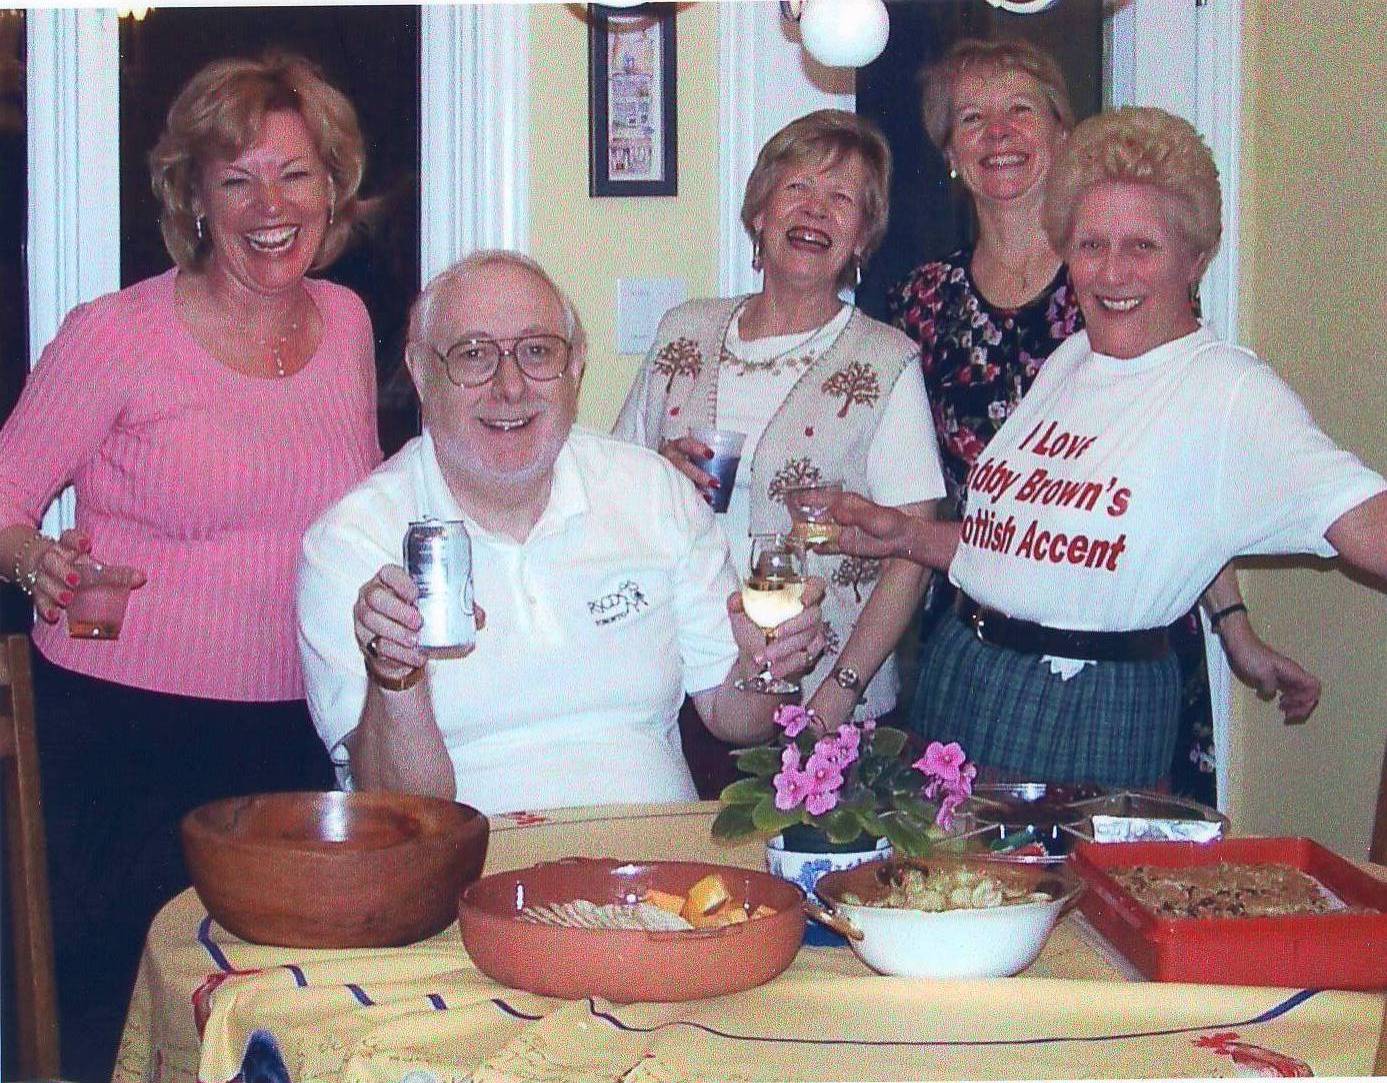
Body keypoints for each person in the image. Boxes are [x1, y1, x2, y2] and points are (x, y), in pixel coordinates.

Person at [0, 52, 381, 1080]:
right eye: (237, 179)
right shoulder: (117, 335)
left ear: (332, 187)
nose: (271, 206)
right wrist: (34, 560)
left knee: (274, 1020)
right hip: (124, 731)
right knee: (118, 1018)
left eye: (295, 174)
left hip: (297, 726)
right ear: (195, 199)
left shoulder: (347, 324)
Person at [825, 106, 1387, 789]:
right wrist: (908, 535)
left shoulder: (1228, 391)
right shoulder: (1071, 358)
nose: (1111, 273)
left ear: (1194, 259)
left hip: (1083, 705)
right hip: (963, 669)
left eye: (1141, 247)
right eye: (1091, 245)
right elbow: (1031, 551)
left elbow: (1371, 530)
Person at [298, 251, 827, 813]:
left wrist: (767, 664)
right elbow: (401, 812)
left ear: (575, 367)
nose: (510, 387)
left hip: (656, 856)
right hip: (479, 857)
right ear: (422, 373)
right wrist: (396, 676)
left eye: (537, 352)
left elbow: (735, 717)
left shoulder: (653, 493)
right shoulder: (353, 541)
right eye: (474, 355)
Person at [614, 110, 944, 743]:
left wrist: (837, 696)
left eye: (842, 199)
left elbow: (912, 555)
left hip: (821, 700)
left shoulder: (886, 360)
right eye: (797, 187)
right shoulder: (684, 330)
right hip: (680, 680)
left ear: (861, 239)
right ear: (760, 214)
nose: (815, 210)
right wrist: (656, 469)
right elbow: (609, 489)